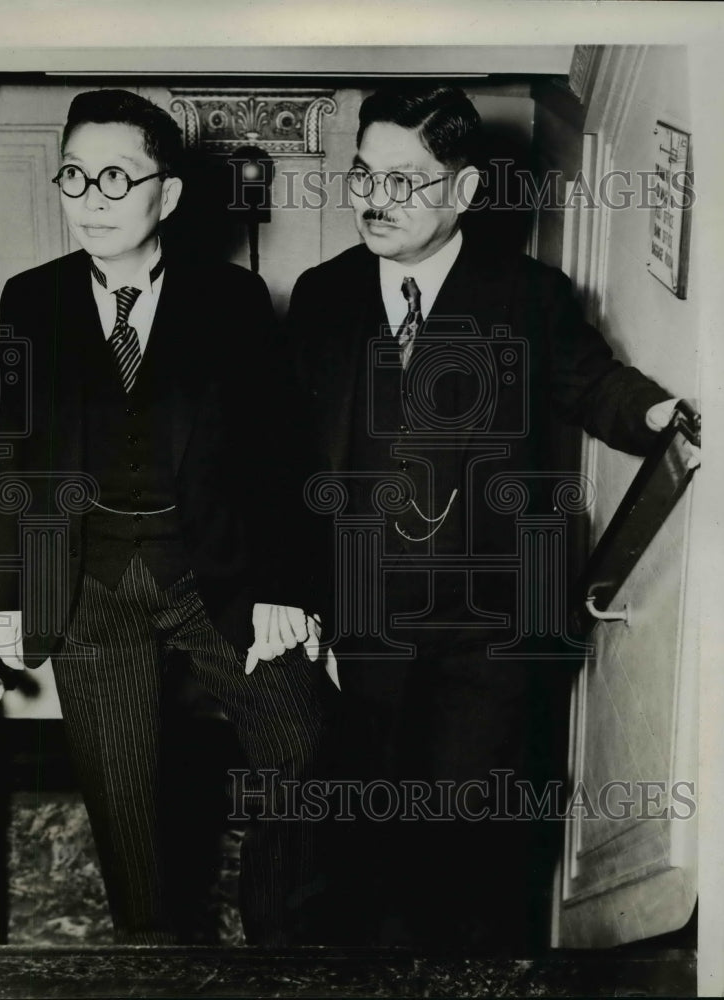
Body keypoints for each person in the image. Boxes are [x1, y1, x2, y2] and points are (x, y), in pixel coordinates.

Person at [286, 86, 683, 951]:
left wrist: (657, 414)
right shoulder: (323, 296)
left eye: (405, 180)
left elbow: (592, 381)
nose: (375, 199)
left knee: (474, 841)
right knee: (374, 834)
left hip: (491, 631)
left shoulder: (527, 295)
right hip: (367, 627)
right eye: (363, 174)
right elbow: (289, 457)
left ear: (464, 191)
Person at [0, 89, 324, 946]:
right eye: (75, 176)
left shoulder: (233, 300)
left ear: (166, 195)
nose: (92, 198)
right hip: (90, 581)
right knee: (123, 804)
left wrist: (281, 585)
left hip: (217, 572)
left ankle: (275, 938)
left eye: (118, 178)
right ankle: (152, 958)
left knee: (302, 752)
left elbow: (281, 458)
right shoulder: (32, 300)